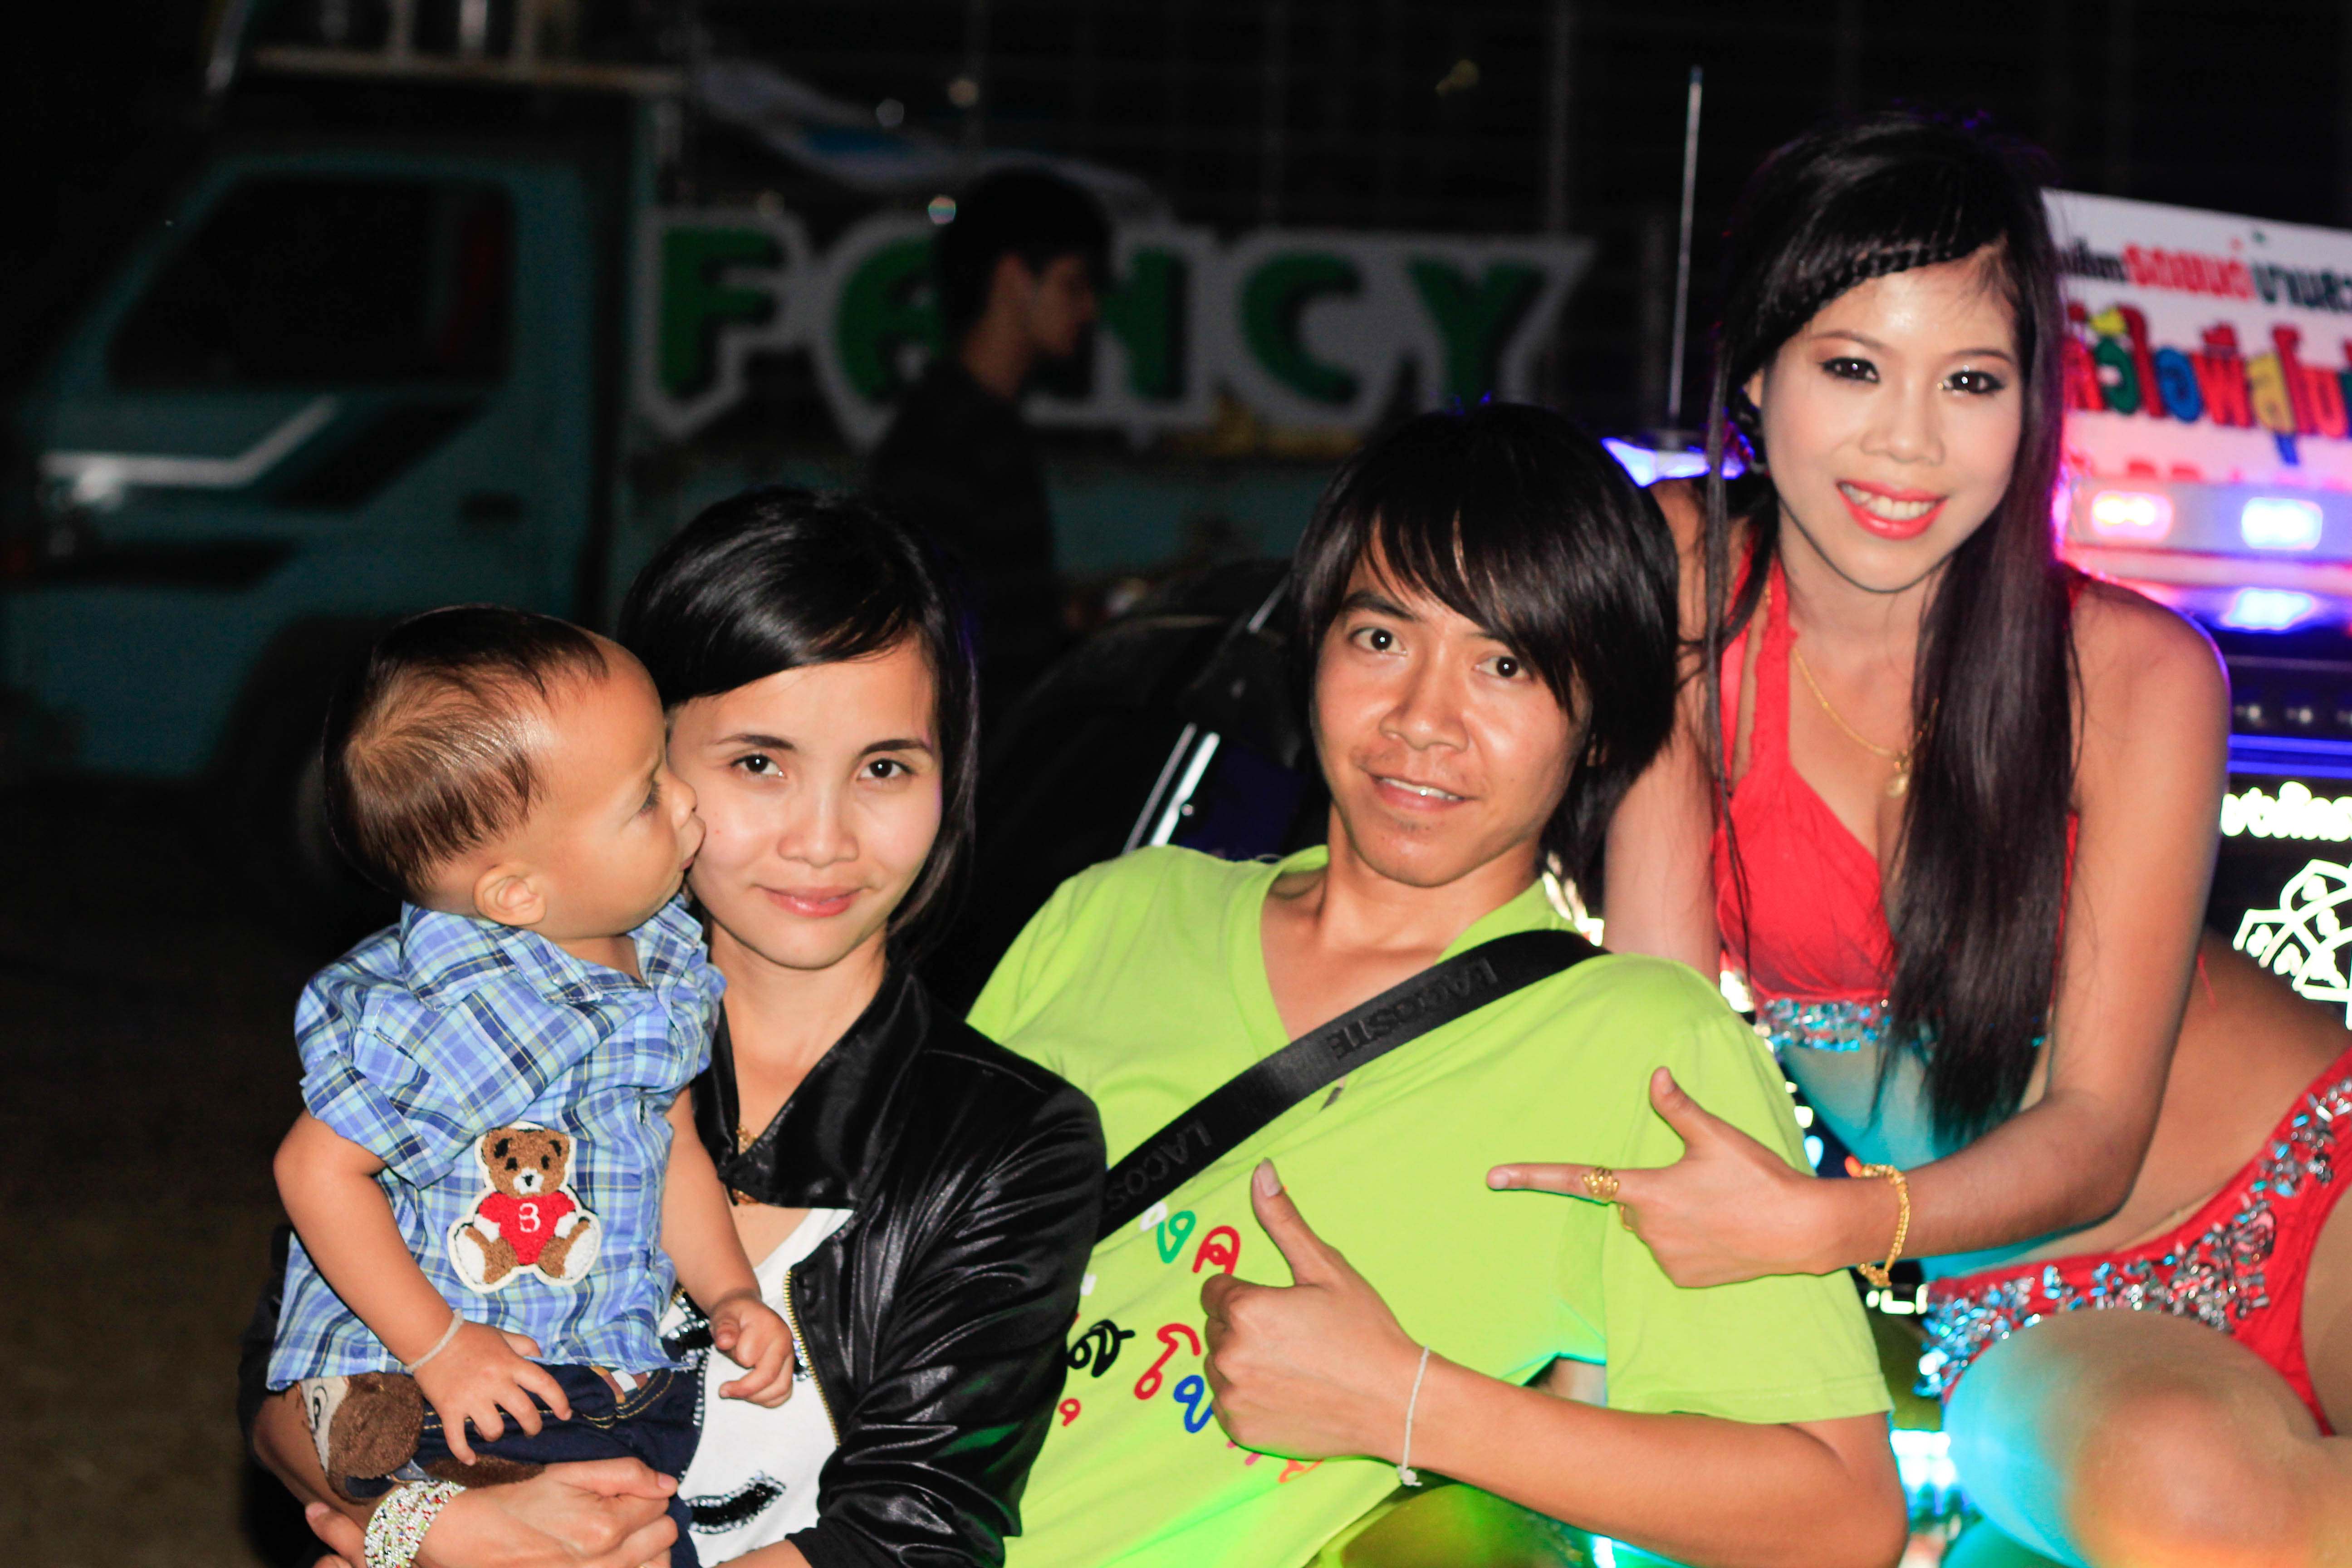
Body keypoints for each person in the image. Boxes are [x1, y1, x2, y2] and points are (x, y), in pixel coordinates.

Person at [1499, 113, 2352, 1565]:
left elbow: (2095, 1131)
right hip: (2040, 1302)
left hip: (2313, 1172)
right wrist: (1593, 1374)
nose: (1908, 440)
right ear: (1754, 371)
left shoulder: (2138, 673)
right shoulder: (1678, 587)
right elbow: (1658, 1032)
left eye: (1971, 381)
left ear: (2031, 407)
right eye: (1853, 368)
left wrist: (1816, 1225)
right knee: (2200, 1514)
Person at [969, 404, 1908, 1568]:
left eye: (1505, 665)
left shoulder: (1637, 1047)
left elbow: (1842, 1516)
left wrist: (1404, 1401)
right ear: (1312, 649)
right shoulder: (1118, 912)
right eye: (1380, 638)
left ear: (1598, 726)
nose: (1422, 721)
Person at [245, 490, 1105, 1568]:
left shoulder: (1003, 1140)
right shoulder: (471, 1000)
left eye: (886, 767)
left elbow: (917, 1525)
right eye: (759, 763)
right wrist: (431, 1529)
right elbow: (284, 1405)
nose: (824, 838)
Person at [265, 606, 793, 1564]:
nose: (687, 802)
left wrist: (729, 1291)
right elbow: (315, 1170)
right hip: (444, 1388)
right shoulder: (455, 1010)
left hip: (599, 1382)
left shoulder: (661, 960)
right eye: (646, 795)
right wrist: (440, 1346)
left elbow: (670, 1148)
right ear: (517, 893)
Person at [867, 167, 1109, 714]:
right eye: (1074, 284)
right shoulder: (943, 438)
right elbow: (932, 638)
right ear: (1015, 279)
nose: (1089, 308)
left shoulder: (986, 427)